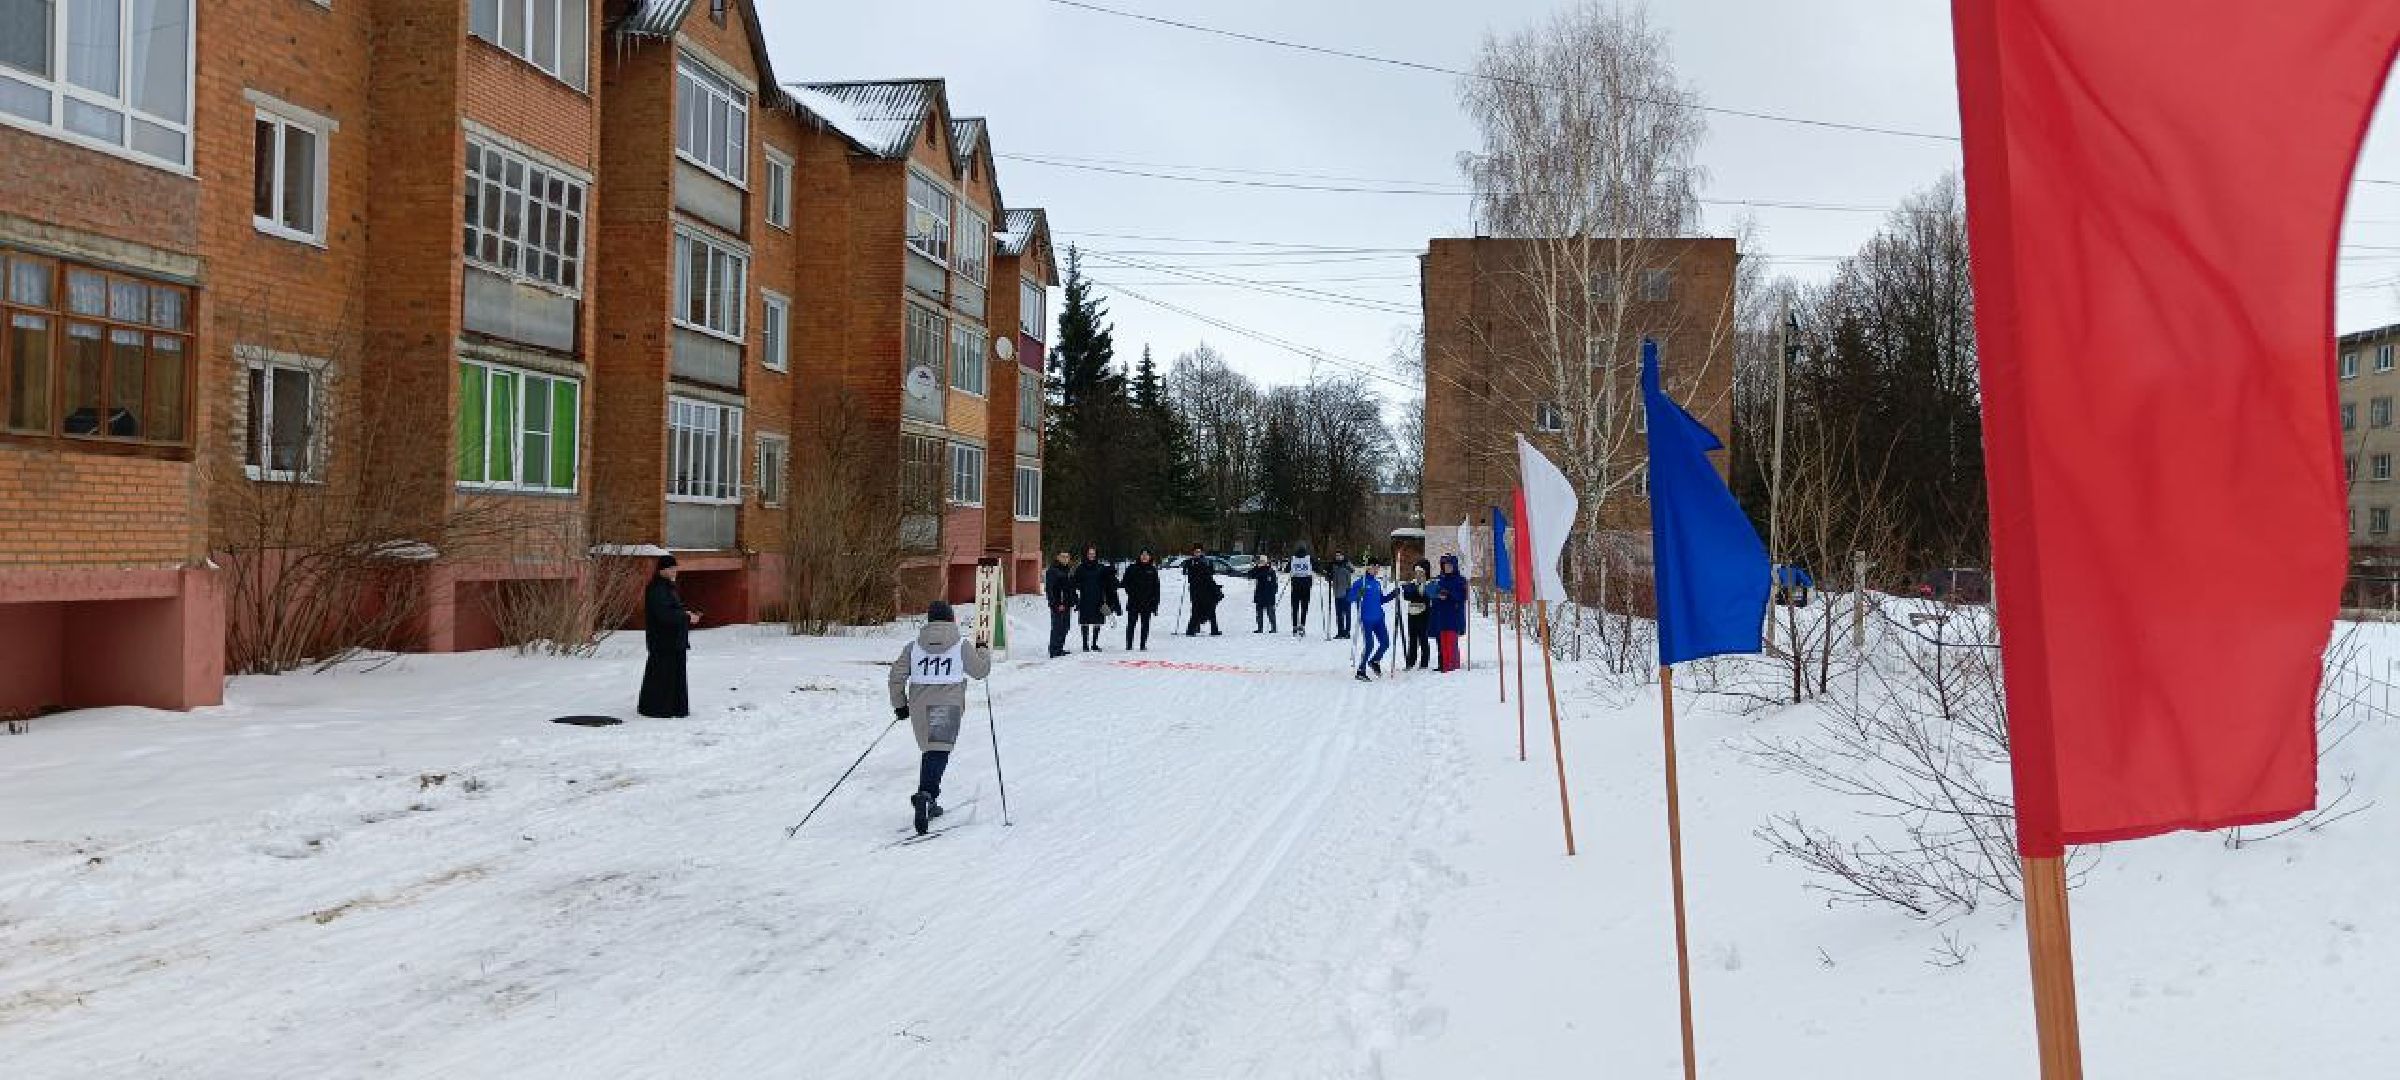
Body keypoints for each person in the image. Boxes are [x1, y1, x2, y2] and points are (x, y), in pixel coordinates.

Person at [888, 600, 992, 835]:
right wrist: (983, 651)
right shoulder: (961, 645)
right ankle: (926, 795)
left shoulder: (913, 647)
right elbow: (980, 671)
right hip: (946, 703)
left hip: (918, 706)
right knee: (938, 751)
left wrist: (900, 705)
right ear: (951, 619)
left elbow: (896, 676)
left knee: (931, 751)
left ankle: (928, 799)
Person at [638, 554, 700, 717]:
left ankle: (672, 708)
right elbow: (664, 614)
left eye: (675, 568)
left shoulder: (666, 587)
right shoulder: (658, 588)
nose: (674, 571)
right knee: (662, 677)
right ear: (662, 570)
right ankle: (659, 709)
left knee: (672, 676)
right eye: (671, 568)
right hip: (664, 641)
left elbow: (671, 609)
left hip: (672, 641)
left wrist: (685, 613)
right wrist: (686, 617)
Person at [1345, 562, 1398, 681]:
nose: (1376, 570)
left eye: (1377, 568)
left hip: (1379, 619)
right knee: (1369, 645)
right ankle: (1361, 670)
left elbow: (1381, 600)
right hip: (1366, 619)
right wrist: (1359, 593)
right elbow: (1349, 598)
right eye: (1374, 568)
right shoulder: (1360, 583)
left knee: (1385, 643)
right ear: (1368, 568)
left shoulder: (1377, 583)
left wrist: (1392, 595)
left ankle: (1374, 661)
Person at [1073, 546, 1121, 651]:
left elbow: (1109, 578)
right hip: (1085, 598)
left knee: (1097, 621)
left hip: (1098, 598)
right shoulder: (1081, 568)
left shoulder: (1101, 567)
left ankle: (1094, 644)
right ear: (1086, 555)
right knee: (1084, 621)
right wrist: (1080, 587)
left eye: (1093, 553)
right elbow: (1075, 581)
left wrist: (1112, 571)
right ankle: (1085, 645)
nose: (1092, 555)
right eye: (1090, 553)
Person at [1430, 552, 1471, 672]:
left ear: (1454, 566)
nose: (1447, 568)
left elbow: (1463, 596)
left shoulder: (1460, 580)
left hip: (1454, 615)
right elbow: (1432, 593)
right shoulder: (1439, 579)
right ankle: (1445, 665)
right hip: (1441, 615)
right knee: (1443, 642)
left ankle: (1453, 665)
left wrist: (1449, 594)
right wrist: (1437, 595)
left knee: (1451, 642)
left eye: (1449, 565)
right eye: (1445, 566)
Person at [1122, 549, 1162, 650]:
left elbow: (1156, 588)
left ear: (1150, 557)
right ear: (1139, 556)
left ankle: (1143, 645)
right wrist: (1130, 592)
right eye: (1143, 554)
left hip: (1147, 602)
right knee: (1131, 624)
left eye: (1147, 555)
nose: (1144, 556)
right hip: (1133, 602)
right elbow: (1125, 582)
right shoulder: (1132, 568)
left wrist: (1155, 603)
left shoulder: (1152, 570)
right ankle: (1129, 645)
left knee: (1145, 625)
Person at [1399, 558, 1434, 671]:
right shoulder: (1412, 583)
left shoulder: (1429, 584)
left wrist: (1418, 592)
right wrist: (1415, 591)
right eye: (1416, 572)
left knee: (1423, 638)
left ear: (1425, 572)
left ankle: (1424, 663)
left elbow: (1427, 596)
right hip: (1412, 614)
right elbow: (1407, 595)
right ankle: (1410, 661)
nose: (1418, 574)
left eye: (1421, 572)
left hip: (1424, 614)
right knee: (1412, 639)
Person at [1183, 545, 1223, 636]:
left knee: (1211, 609)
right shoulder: (1191, 562)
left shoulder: (1205, 561)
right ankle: (1191, 630)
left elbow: (1209, 575)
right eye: (1196, 552)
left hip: (1207, 590)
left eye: (1199, 551)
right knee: (1196, 610)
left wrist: (1214, 586)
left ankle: (1214, 630)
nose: (1197, 553)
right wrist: (1187, 567)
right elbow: (1189, 575)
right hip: (1196, 590)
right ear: (1193, 552)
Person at [1044, 550, 1078, 658]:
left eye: (1067, 557)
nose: (1065, 559)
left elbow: (1071, 588)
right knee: (1057, 627)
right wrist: (1056, 603)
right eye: (1063, 556)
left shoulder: (1068, 570)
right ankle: (1054, 650)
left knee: (1065, 627)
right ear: (1058, 557)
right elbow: (1049, 589)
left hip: (1067, 603)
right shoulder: (1052, 571)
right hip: (1058, 604)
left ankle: (1059, 648)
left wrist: (1075, 600)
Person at [1323, 553, 1356, 639]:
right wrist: (1328, 575)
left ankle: (1347, 632)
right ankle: (1340, 631)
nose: (1338, 557)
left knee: (1347, 612)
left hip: (1347, 591)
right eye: (1337, 555)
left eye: (1340, 555)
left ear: (1343, 556)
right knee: (1339, 613)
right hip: (1337, 592)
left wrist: (1348, 565)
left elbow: (1353, 570)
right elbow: (1328, 577)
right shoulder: (1333, 565)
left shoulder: (1347, 564)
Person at [1287, 544, 1314, 636]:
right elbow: (1317, 568)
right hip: (1306, 586)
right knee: (1304, 607)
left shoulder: (1293, 559)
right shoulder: (1309, 559)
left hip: (1295, 585)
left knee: (1295, 607)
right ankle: (1302, 625)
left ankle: (1295, 626)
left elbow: (1286, 569)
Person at [1248, 554, 1279, 633]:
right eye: (1259, 561)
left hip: (1269, 594)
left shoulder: (1270, 571)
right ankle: (1260, 628)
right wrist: (1256, 567)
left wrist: (1274, 591)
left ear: (1266, 562)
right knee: (1259, 613)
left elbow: (1275, 583)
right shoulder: (1258, 570)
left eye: (1262, 561)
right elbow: (1250, 575)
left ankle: (1274, 628)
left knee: (1270, 613)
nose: (1260, 563)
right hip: (1260, 594)